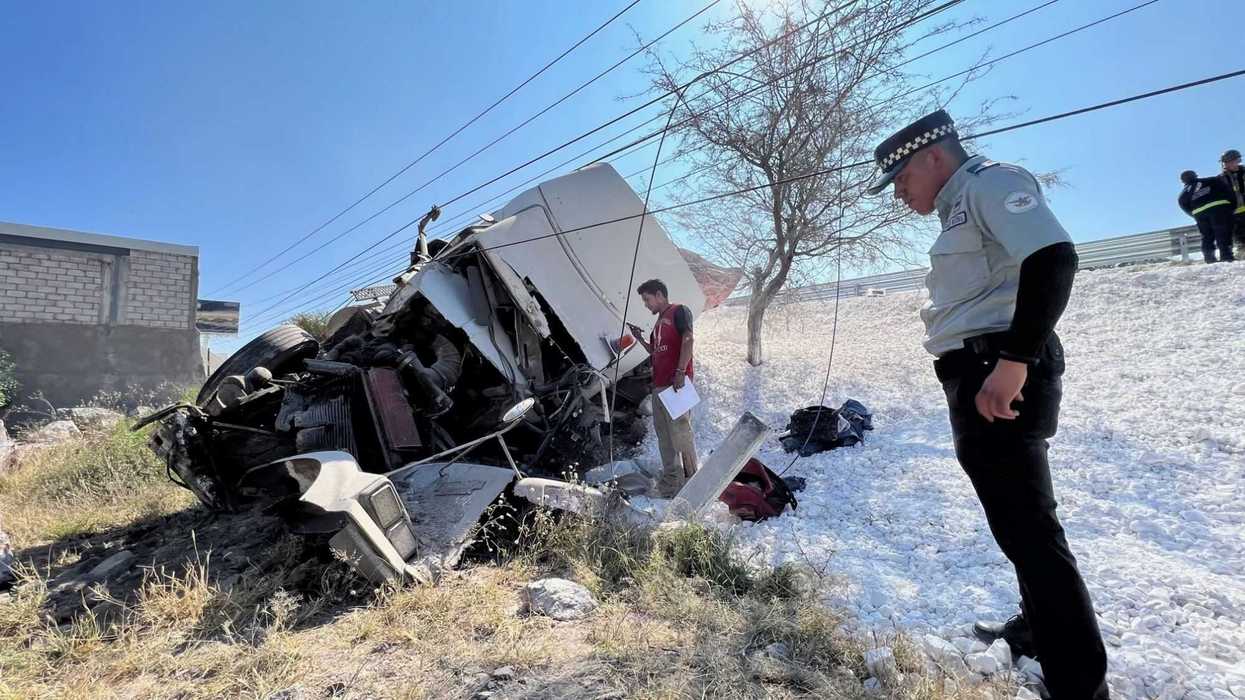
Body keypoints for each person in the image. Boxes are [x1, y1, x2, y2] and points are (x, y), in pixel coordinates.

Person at [866, 109, 1109, 698]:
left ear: (933, 156)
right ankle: (1035, 628)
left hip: (997, 371)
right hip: (981, 370)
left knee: (1029, 529)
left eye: (901, 179)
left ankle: (1079, 682)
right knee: (1018, 523)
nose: (899, 193)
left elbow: (1053, 258)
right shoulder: (960, 206)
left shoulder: (990, 183)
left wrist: (1015, 360)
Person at [627, 279, 698, 497]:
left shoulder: (679, 311)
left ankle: (692, 479)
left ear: (659, 295)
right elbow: (656, 352)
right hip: (659, 387)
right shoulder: (657, 325)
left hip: (676, 384)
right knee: (664, 437)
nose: (646, 305)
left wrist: (680, 372)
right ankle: (672, 483)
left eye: (647, 300)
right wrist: (639, 338)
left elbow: (688, 339)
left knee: (680, 434)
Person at [1178, 169, 1236, 263]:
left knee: (1207, 236)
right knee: (1222, 233)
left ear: (1183, 181)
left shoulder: (1183, 194)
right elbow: (1228, 191)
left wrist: (1196, 215)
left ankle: (1209, 259)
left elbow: (1184, 207)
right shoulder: (1212, 180)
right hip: (1219, 210)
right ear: (1196, 175)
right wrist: (1231, 206)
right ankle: (1226, 256)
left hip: (1200, 215)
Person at [1219, 149, 1245, 260]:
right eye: (1225, 162)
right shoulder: (1221, 178)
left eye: (1229, 161)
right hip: (1235, 213)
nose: (1226, 164)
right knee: (1241, 238)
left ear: (1237, 160)